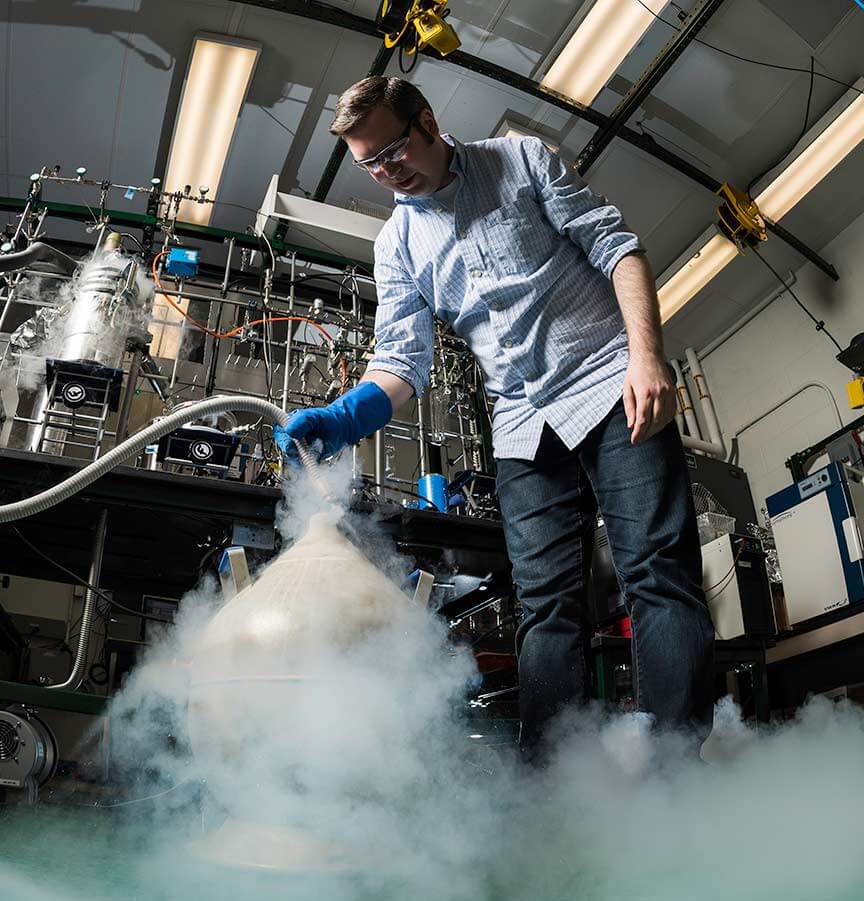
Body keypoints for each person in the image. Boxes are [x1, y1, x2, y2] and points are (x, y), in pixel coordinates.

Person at [274, 76, 714, 753]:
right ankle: (555, 785)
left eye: (393, 151)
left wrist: (647, 358)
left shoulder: (522, 160)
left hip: (609, 382)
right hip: (521, 426)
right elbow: (401, 362)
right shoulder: (397, 244)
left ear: (426, 120)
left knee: (656, 572)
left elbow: (616, 248)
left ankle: (678, 767)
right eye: (371, 165)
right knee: (544, 608)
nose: (388, 173)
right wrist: (342, 418)